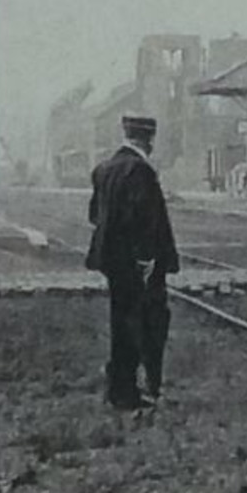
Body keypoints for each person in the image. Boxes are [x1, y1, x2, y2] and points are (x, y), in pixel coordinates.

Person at [85, 115, 180, 411]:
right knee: (144, 323)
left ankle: (119, 386)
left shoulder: (104, 169)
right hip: (139, 265)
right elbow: (145, 221)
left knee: (120, 320)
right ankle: (129, 390)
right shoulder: (140, 171)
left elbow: (94, 216)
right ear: (147, 139)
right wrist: (146, 259)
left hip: (112, 262)